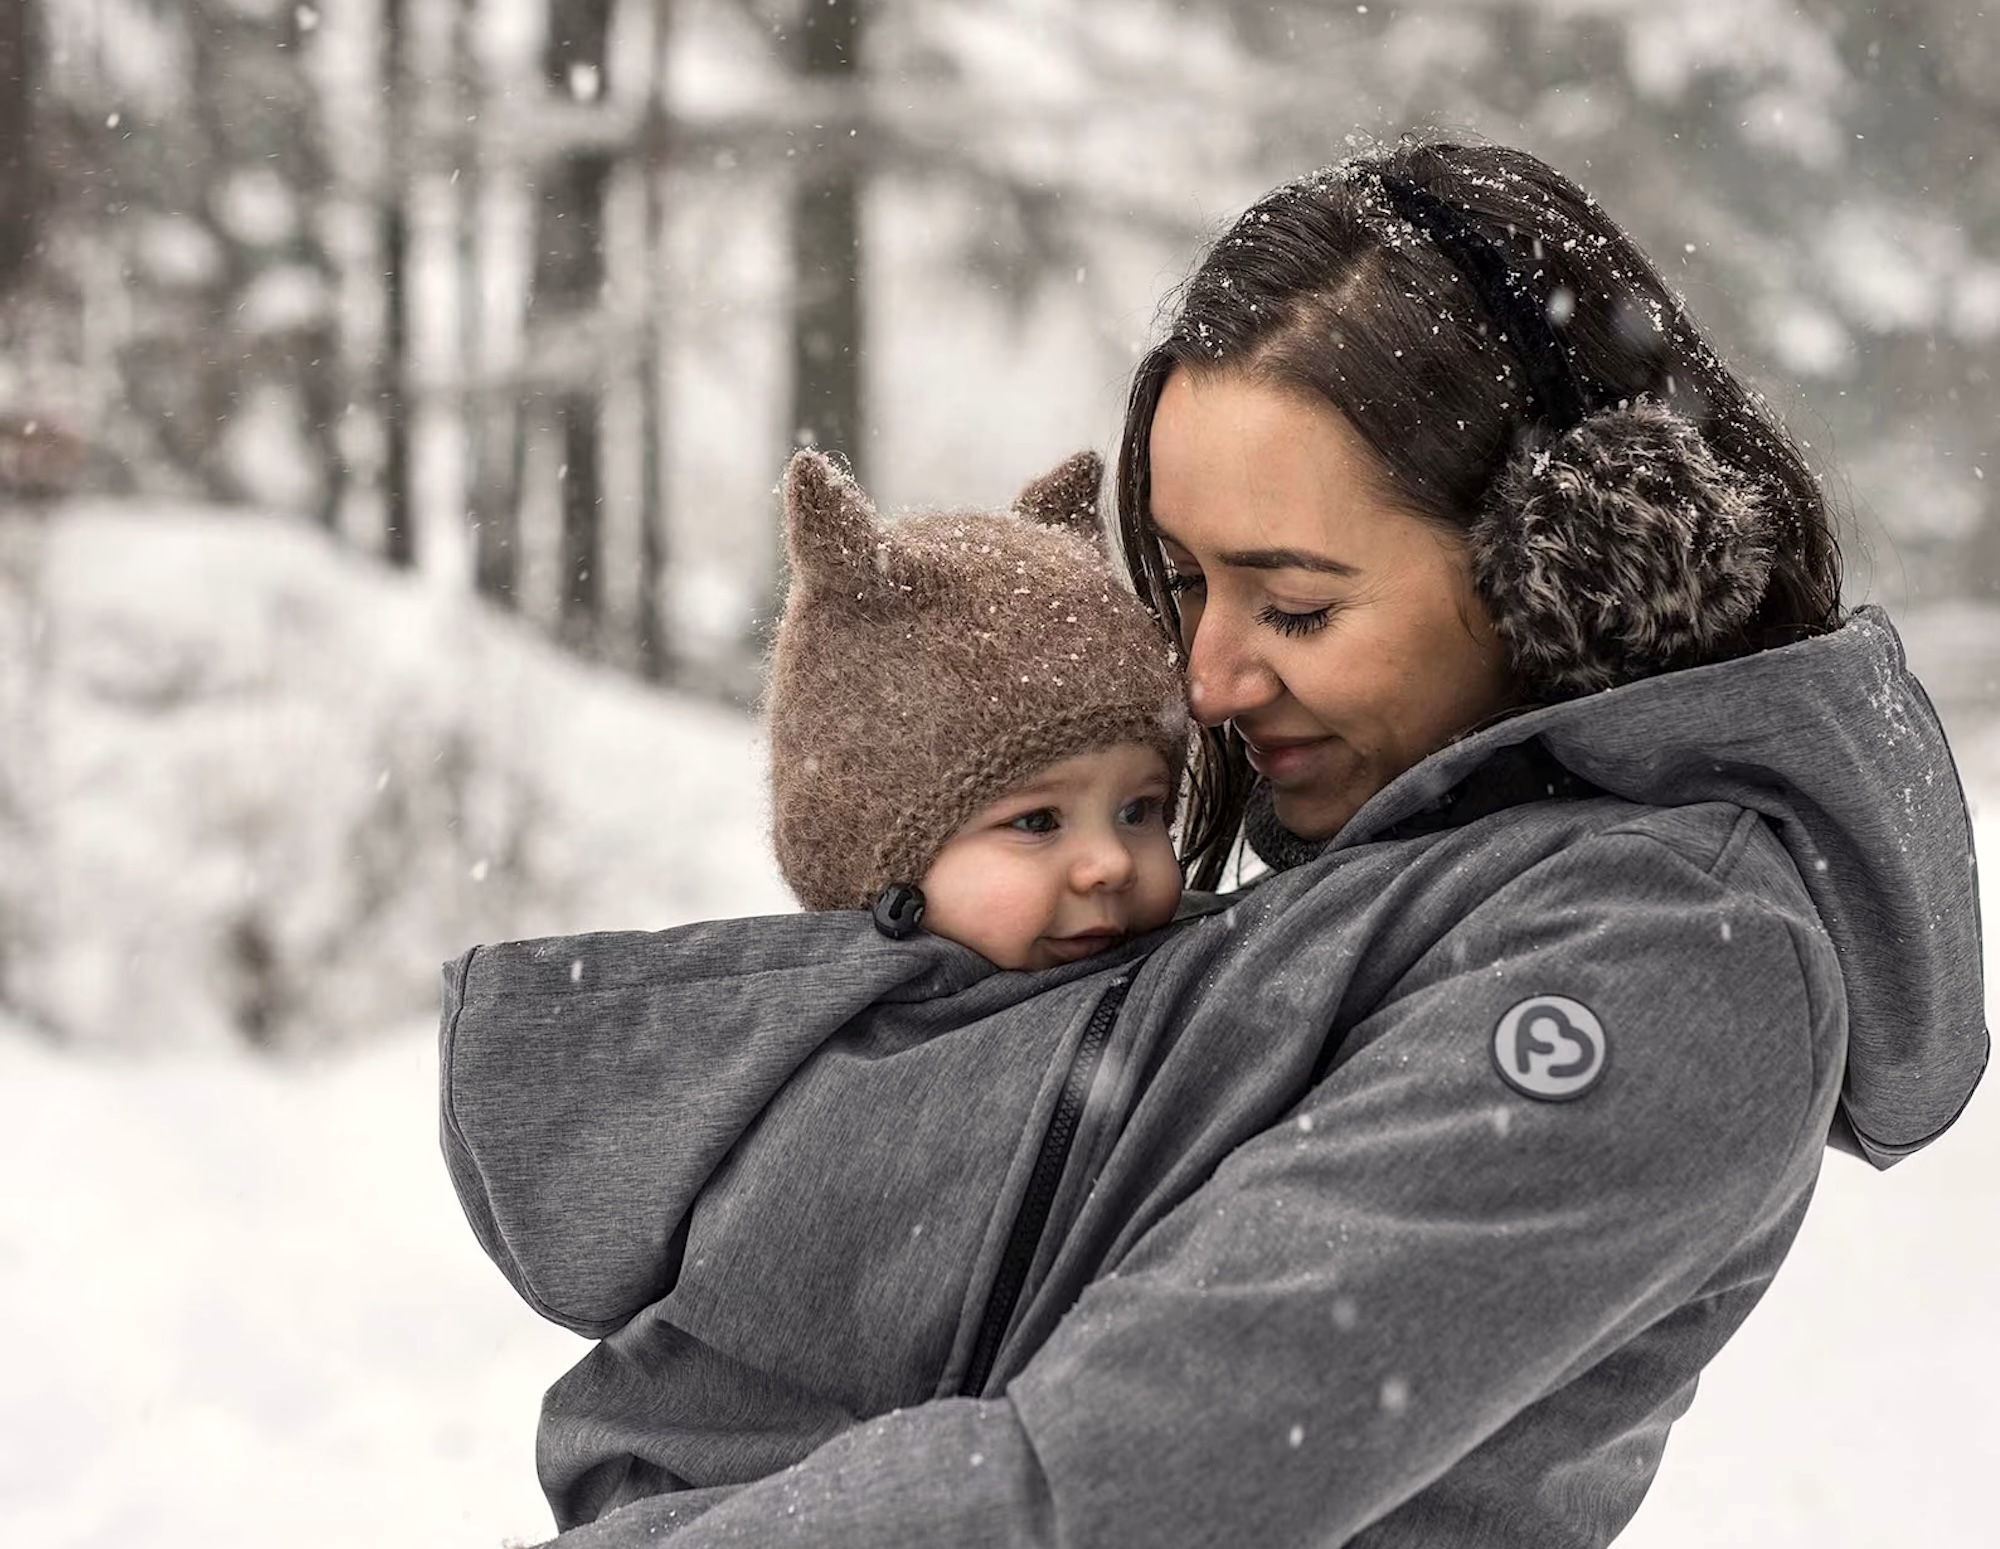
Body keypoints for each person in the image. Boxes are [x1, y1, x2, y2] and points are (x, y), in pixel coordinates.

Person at [479, 136, 1988, 1549]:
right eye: (1188, 584)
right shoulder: (1416, 886)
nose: (1204, 682)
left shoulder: (1663, 953)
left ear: (1561, 561)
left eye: (1299, 604)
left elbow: (1110, 1482)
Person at [441, 445, 1194, 1524]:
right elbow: (694, 1413)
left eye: (1142, 810)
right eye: (1036, 820)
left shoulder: (1168, 996)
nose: (1107, 862)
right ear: (878, 859)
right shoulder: (821, 1092)